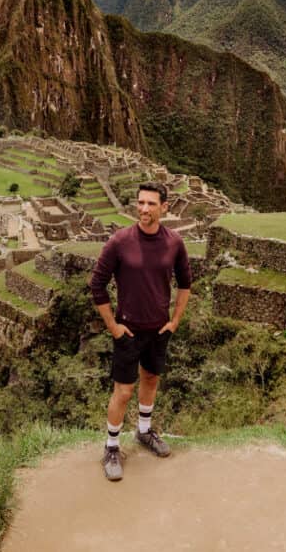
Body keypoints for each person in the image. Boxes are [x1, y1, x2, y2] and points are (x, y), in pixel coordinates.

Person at [89, 181, 192, 481]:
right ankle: (111, 447)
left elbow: (185, 283)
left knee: (151, 379)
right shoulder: (120, 242)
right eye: (140, 203)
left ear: (164, 207)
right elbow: (97, 285)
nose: (144, 209)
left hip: (158, 329)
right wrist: (113, 325)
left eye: (150, 203)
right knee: (123, 391)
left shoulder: (174, 243)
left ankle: (144, 432)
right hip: (128, 331)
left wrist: (175, 321)